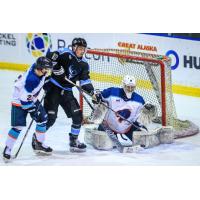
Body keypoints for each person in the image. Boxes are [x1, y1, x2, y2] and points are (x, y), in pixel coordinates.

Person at [44, 38, 98, 152]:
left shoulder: (84, 64)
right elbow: (49, 58)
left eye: (84, 49)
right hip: (54, 88)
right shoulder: (64, 53)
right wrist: (55, 67)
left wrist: (92, 92)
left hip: (67, 91)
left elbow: (85, 81)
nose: (82, 51)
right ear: (74, 47)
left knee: (78, 116)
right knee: (50, 118)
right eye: (80, 48)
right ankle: (37, 140)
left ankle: (73, 140)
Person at [3, 56, 54, 161]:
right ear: (40, 68)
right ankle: (8, 149)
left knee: (43, 119)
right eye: (46, 69)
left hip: (30, 97)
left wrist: (45, 82)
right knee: (18, 127)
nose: (48, 71)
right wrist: (32, 111)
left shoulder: (39, 70)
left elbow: (42, 77)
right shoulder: (32, 79)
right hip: (19, 100)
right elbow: (24, 100)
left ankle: (39, 143)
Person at [92, 75, 156, 143]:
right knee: (104, 145)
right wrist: (96, 96)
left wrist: (148, 109)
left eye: (132, 87)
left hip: (128, 128)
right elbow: (98, 93)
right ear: (123, 85)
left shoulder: (139, 100)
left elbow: (142, 115)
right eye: (128, 87)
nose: (130, 89)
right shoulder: (112, 92)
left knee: (144, 141)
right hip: (109, 127)